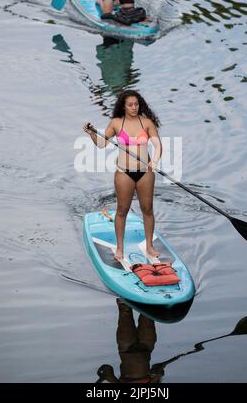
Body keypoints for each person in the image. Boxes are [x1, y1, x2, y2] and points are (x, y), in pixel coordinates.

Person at [83, 90, 162, 261]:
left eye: (137, 104)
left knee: (147, 210)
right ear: (123, 106)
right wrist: (92, 134)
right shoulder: (116, 123)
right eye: (130, 105)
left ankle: (149, 246)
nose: (134, 107)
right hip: (124, 173)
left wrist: (154, 161)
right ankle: (120, 248)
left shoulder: (147, 123)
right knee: (121, 211)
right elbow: (102, 144)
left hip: (145, 173)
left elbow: (157, 145)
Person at [96, 298, 164, 383]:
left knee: (125, 309)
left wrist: (104, 374)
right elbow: (158, 372)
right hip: (145, 347)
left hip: (127, 348)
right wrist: (158, 373)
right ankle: (148, 297)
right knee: (148, 312)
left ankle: (125, 296)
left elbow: (107, 369)